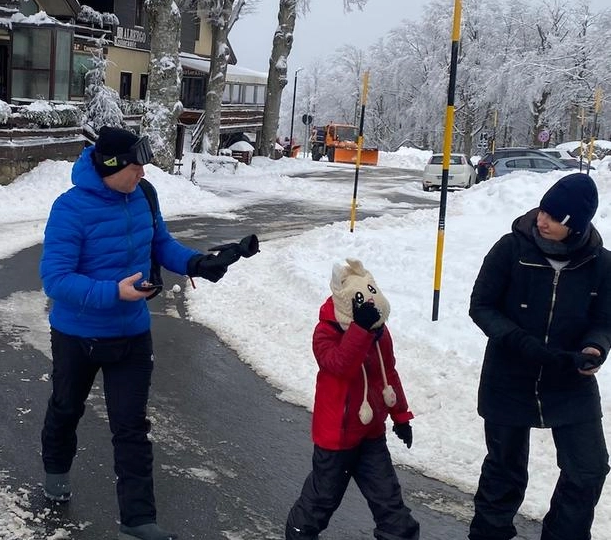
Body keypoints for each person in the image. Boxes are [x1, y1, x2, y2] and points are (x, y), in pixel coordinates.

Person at [39, 126, 252, 540]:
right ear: (111, 167)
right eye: (136, 167)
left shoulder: (143, 195)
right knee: (66, 408)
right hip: (77, 335)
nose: (142, 174)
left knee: (131, 427)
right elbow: (55, 279)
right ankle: (55, 470)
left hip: (132, 334)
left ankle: (137, 522)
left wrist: (196, 264)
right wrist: (112, 292)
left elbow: (160, 244)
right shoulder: (70, 209)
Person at [468, 173, 611, 540]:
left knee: (589, 469)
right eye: (543, 211)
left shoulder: (602, 265)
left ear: (576, 225)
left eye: (553, 218)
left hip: (569, 380)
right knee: (504, 471)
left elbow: (605, 321)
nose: (542, 221)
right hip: (508, 377)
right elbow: (482, 306)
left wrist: (595, 348)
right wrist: (518, 341)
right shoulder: (511, 249)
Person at [286, 258, 418, 540]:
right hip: (336, 438)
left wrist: (401, 416)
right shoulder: (325, 332)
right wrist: (360, 330)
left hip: (370, 434)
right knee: (319, 504)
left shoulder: (378, 331)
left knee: (391, 506)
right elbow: (339, 366)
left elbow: (388, 374)